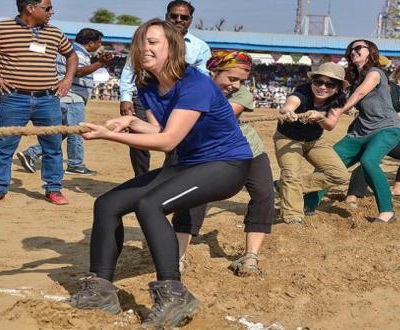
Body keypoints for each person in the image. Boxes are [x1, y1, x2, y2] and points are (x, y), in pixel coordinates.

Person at [68, 20, 252, 328]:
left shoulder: (195, 83)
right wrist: (130, 123)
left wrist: (107, 135)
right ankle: (101, 289)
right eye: (141, 42)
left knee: (149, 205)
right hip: (189, 163)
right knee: (107, 205)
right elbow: (162, 130)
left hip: (226, 165)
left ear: (174, 48)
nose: (144, 47)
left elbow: (168, 141)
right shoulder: (148, 86)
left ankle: (173, 294)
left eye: (153, 42)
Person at [0, 0, 77, 205]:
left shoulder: (55, 33)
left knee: (52, 146)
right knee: (4, 145)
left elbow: (71, 55)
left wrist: (67, 78)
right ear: (30, 8)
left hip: (48, 98)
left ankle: (54, 188)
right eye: (47, 8)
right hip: (14, 98)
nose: (52, 11)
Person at [174, 50, 273, 277]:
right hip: (206, 152)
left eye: (241, 80)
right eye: (231, 79)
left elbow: (221, 115)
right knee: (193, 198)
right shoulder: (192, 88)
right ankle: (178, 255)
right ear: (214, 72)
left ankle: (251, 256)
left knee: (265, 194)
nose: (237, 85)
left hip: (249, 150)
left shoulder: (243, 95)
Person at [303, 40, 400, 223]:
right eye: (351, 49)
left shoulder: (375, 72)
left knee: (368, 161)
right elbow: (336, 95)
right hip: (359, 131)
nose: (353, 51)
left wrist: (339, 111)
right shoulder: (353, 77)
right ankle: (308, 205)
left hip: (386, 128)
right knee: (328, 163)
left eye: (358, 48)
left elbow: (360, 94)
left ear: (371, 52)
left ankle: (387, 211)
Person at [119, 0, 211, 177]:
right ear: (167, 16)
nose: (178, 20)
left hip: (180, 101)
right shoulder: (147, 40)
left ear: (190, 19)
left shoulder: (200, 47)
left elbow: (202, 78)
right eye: (174, 16)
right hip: (145, 96)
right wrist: (125, 97)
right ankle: (140, 179)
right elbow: (131, 67)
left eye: (183, 17)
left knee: (177, 140)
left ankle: (165, 181)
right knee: (138, 138)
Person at [17, 28, 113, 176]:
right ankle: (75, 164)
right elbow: (78, 71)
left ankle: (32, 153)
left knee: (63, 132)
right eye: (99, 42)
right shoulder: (78, 53)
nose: (100, 45)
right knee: (76, 132)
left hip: (66, 97)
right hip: (72, 98)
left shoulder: (74, 50)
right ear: (90, 42)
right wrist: (100, 63)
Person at [272, 62, 349, 224]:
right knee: (291, 174)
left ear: (337, 88)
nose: (322, 87)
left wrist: (321, 117)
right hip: (288, 138)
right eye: (318, 82)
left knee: (340, 175)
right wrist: (289, 112)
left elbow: (330, 125)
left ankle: (285, 186)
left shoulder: (339, 99)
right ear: (312, 82)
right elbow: (289, 104)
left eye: (330, 84)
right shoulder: (302, 91)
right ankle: (292, 216)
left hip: (315, 141)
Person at [345, 58, 400, 207]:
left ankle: (398, 191)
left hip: (386, 133)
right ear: (398, 71)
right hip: (366, 129)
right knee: (369, 159)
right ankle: (352, 196)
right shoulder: (386, 86)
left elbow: (399, 115)